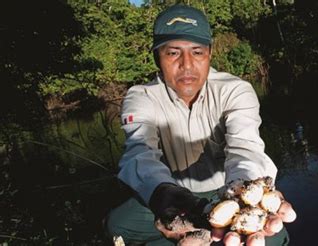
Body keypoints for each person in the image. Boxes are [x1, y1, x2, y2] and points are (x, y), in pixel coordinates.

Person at [106, 4, 296, 246]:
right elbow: (139, 153)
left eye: (197, 52)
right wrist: (160, 192)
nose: (187, 64)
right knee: (118, 226)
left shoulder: (235, 90)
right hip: (172, 194)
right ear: (157, 57)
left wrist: (247, 191)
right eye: (173, 53)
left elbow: (246, 148)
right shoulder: (141, 97)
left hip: (227, 189)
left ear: (210, 53)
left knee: (271, 235)